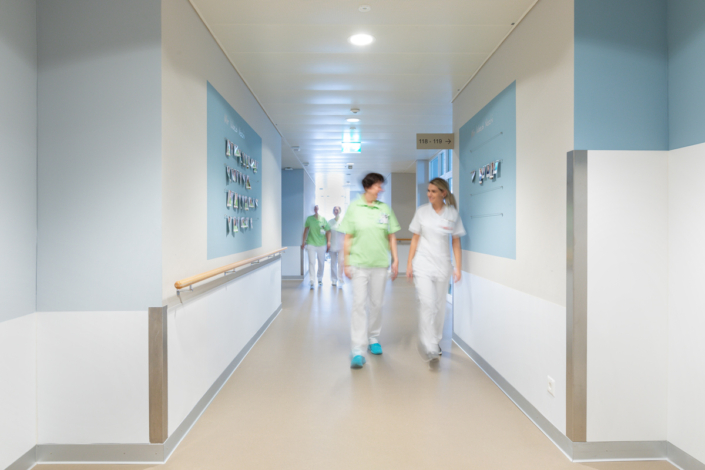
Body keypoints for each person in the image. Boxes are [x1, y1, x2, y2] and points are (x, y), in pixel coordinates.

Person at [341, 173, 401, 369]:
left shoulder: (384, 209)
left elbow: (391, 236)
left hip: (379, 264)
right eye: (378, 186)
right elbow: (348, 237)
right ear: (368, 187)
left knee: (376, 304)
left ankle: (374, 338)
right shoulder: (354, 208)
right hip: (358, 264)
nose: (381, 189)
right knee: (358, 305)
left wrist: (395, 259)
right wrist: (346, 262)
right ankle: (357, 349)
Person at [406, 177, 465, 363]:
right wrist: (409, 263)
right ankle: (429, 344)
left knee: (439, 307)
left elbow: (456, 241)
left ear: (443, 193)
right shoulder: (422, 212)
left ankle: (435, 341)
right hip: (422, 264)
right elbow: (415, 238)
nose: (429, 194)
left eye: (433, 191)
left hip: (443, 265)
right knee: (427, 302)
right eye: (428, 191)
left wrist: (458, 267)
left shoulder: (452, 214)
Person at [301, 205, 331, 289]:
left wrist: (328, 242)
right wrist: (303, 242)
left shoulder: (323, 219)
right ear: (313, 210)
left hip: (322, 244)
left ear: (319, 209)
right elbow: (305, 231)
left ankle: (320, 278)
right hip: (311, 243)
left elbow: (328, 231)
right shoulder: (309, 219)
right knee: (311, 262)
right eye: (315, 208)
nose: (316, 210)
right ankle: (312, 280)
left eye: (317, 208)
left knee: (321, 262)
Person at [328, 206, 345, 287]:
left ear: (340, 211)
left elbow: (346, 233)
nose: (336, 211)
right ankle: (334, 279)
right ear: (333, 211)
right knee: (333, 263)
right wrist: (327, 242)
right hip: (332, 245)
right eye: (334, 210)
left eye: (337, 210)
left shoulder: (343, 221)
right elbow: (327, 233)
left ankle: (340, 278)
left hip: (341, 245)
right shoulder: (330, 222)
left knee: (341, 262)